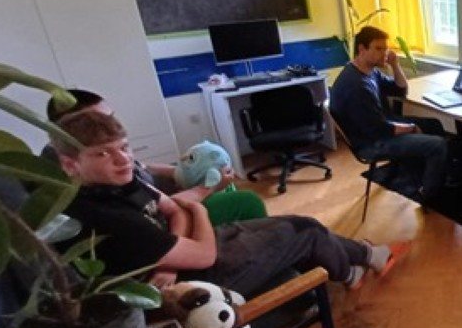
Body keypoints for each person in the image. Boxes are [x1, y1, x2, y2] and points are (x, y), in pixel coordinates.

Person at [53, 112, 406, 296]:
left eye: (124, 147)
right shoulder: (103, 215)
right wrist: (198, 210)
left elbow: (173, 208)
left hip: (186, 257)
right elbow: (203, 253)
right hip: (204, 281)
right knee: (308, 231)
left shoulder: (120, 182)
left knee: (301, 223)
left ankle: (363, 258)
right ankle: (352, 269)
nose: (123, 160)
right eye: (103, 154)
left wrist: (171, 256)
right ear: (70, 165)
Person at [45, 88, 266, 226]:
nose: (110, 126)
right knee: (247, 201)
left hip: (167, 201)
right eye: (101, 121)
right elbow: (154, 208)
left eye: (111, 117)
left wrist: (182, 170)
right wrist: (209, 187)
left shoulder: (102, 152)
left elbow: (143, 167)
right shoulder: (83, 167)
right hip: (162, 219)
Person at [328, 26, 449, 202]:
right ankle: (429, 195)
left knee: (433, 124)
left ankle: (432, 174)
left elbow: (400, 90)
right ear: (362, 49)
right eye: (378, 48)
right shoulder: (357, 86)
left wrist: (395, 64)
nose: (384, 53)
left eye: (385, 48)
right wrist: (411, 128)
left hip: (379, 127)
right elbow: (381, 129)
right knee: (437, 145)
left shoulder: (368, 71)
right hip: (372, 142)